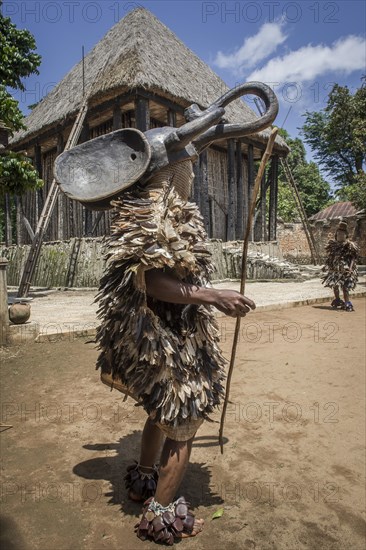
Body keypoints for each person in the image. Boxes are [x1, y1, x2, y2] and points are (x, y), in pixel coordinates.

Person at [94, 158, 256, 544]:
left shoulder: (154, 209)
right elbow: (150, 282)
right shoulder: (155, 211)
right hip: (162, 343)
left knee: (159, 413)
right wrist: (213, 295)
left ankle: (142, 482)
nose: (196, 176)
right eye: (191, 169)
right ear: (176, 173)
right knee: (184, 422)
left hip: (168, 336)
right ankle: (161, 518)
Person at [321, 220, 359, 312]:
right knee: (335, 285)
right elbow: (330, 257)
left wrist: (350, 268)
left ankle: (347, 302)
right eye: (338, 234)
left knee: (345, 287)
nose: (340, 236)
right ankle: (337, 299)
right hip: (334, 269)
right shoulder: (333, 245)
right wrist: (327, 266)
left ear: (346, 235)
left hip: (345, 269)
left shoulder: (350, 245)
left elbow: (353, 258)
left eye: (342, 234)